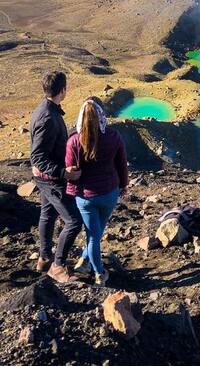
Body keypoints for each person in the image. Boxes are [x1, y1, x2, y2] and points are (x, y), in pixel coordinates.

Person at [65, 98, 128, 287]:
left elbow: (70, 170)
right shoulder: (113, 136)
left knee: (93, 234)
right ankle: (98, 272)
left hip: (85, 197)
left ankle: (89, 265)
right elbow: (121, 165)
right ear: (102, 116)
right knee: (96, 233)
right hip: (109, 193)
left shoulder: (74, 142)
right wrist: (123, 185)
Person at [30, 71, 83, 283]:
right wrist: (63, 172)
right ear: (63, 90)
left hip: (44, 178)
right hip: (51, 180)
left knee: (47, 214)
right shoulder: (48, 117)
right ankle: (58, 265)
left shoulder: (44, 110)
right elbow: (38, 155)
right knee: (73, 221)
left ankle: (44, 258)